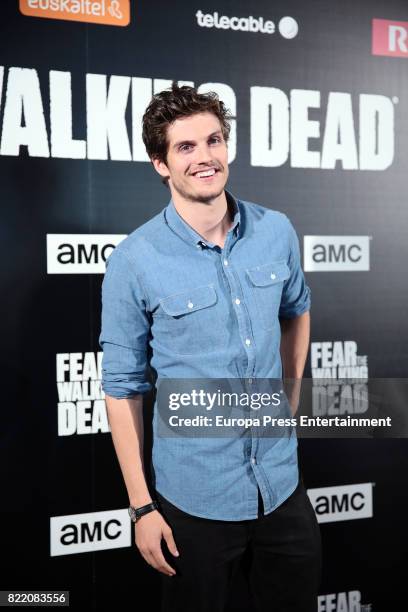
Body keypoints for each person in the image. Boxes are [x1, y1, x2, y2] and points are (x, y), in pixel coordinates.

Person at [99, 82, 322, 612]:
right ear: (161, 163)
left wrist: (288, 398)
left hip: (281, 486)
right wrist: (140, 508)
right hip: (193, 505)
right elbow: (121, 387)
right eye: (186, 147)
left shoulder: (276, 231)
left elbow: (297, 310)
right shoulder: (134, 259)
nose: (206, 157)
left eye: (214, 140)